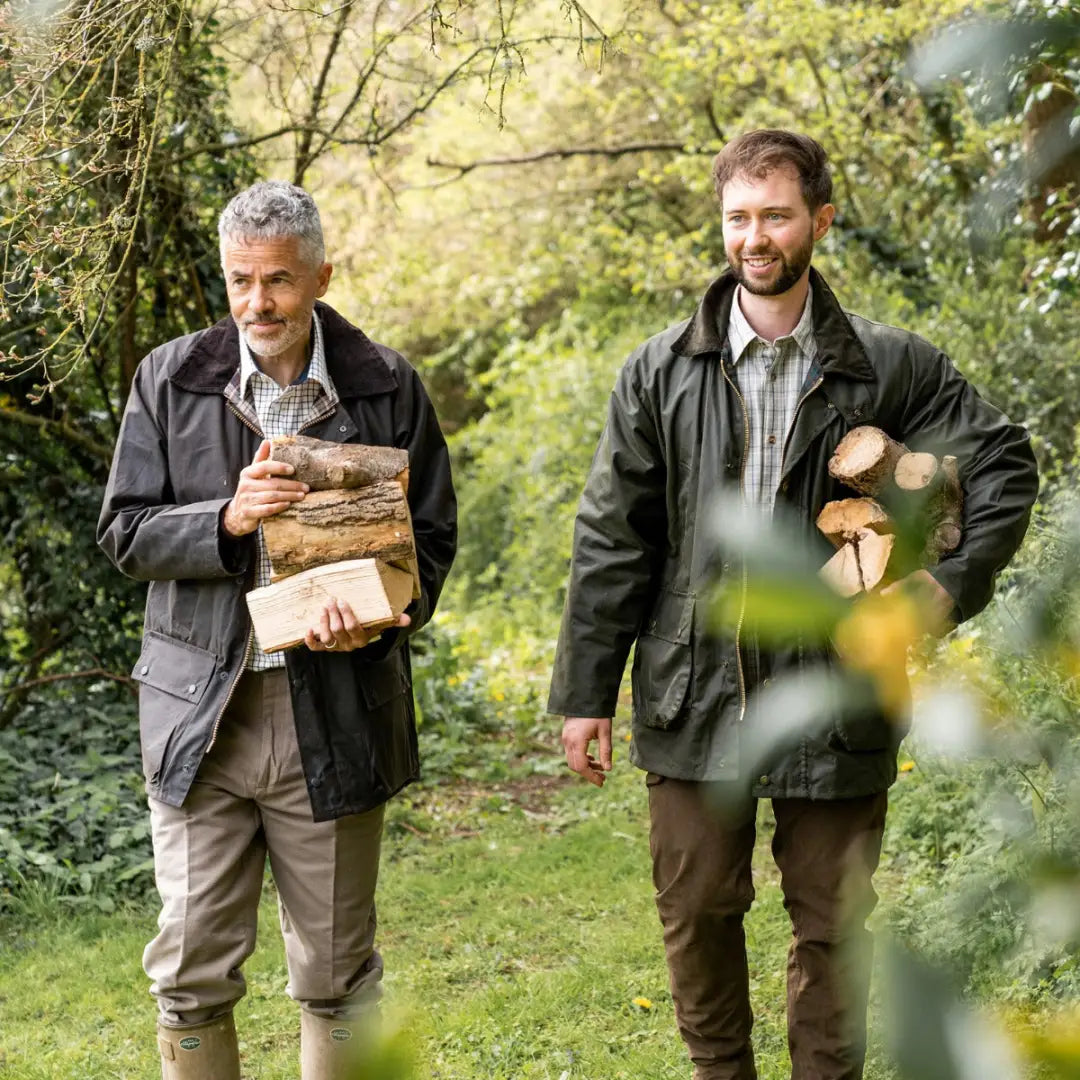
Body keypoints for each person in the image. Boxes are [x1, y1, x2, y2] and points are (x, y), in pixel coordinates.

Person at [547, 130, 1038, 1080]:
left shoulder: (891, 366)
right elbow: (613, 537)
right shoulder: (658, 372)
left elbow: (1006, 461)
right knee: (696, 913)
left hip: (839, 685)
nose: (755, 237)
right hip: (694, 688)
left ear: (820, 219)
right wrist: (584, 692)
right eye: (738, 217)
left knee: (832, 922)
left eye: (775, 215)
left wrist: (949, 582)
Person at [98, 180, 456, 1080]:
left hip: (331, 712)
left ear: (322, 276)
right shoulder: (170, 378)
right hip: (199, 718)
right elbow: (124, 531)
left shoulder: (387, 385)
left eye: (281, 282)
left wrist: (375, 623)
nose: (259, 302)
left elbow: (434, 543)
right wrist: (225, 520)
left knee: (336, 974)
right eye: (240, 281)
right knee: (188, 974)